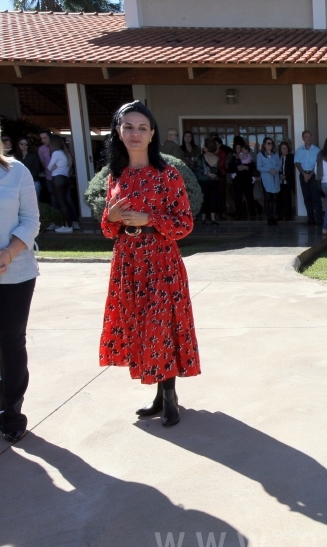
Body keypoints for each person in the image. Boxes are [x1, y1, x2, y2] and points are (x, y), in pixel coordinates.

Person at [99, 100, 200, 427]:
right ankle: (158, 396)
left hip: (161, 263)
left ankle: (169, 397)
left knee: (162, 328)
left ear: (152, 133)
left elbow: (184, 224)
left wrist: (150, 219)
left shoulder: (167, 174)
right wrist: (110, 217)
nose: (135, 133)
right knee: (142, 328)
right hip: (128, 264)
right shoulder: (115, 175)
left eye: (142, 128)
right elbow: (107, 229)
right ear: (118, 131)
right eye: (128, 127)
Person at [0, 126, 41, 443]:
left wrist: (8, 254)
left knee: (10, 343)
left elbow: (30, 220)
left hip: (15, 273)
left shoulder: (16, 172)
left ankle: (11, 414)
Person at [47, 134, 77, 233]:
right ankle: (68, 224)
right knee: (65, 202)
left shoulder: (56, 153)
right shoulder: (65, 153)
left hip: (57, 179)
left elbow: (49, 167)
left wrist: (53, 166)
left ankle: (67, 226)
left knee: (61, 203)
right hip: (65, 178)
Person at [293, 131, 321, 226]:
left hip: (314, 175)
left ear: (311, 137)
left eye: (309, 136)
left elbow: (318, 164)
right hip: (303, 174)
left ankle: (319, 219)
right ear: (303, 138)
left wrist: (310, 174)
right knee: (307, 197)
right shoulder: (300, 150)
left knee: (316, 197)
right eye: (306, 137)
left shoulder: (317, 150)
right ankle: (311, 218)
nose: (308, 138)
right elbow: (297, 163)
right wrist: (304, 174)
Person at [195, 138, 223, 226]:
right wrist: (213, 174)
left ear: (206, 147)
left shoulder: (202, 157)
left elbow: (198, 168)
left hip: (203, 181)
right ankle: (213, 218)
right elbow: (218, 169)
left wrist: (207, 173)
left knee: (204, 199)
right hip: (214, 181)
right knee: (213, 199)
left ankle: (203, 218)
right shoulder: (217, 157)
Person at [229, 140, 257, 220]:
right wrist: (237, 168)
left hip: (247, 180)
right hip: (237, 180)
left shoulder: (248, 156)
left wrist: (247, 167)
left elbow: (253, 167)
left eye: (240, 148)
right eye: (237, 148)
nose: (239, 149)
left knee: (250, 197)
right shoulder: (234, 158)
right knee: (238, 197)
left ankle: (252, 214)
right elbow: (230, 168)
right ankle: (239, 213)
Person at [256, 137, 281, 226]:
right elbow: (259, 167)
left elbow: (279, 165)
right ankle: (269, 217)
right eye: (268, 143)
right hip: (266, 179)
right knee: (267, 199)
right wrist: (269, 170)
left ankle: (274, 217)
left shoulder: (276, 154)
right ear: (264, 145)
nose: (270, 145)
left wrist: (276, 170)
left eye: (271, 143)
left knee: (274, 199)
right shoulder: (260, 155)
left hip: (275, 179)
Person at [277, 141, 295, 221]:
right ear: (280, 149)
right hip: (279, 181)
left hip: (288, 181)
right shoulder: (277, 157)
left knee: (287, 198)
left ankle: (288, 216)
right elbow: (276, 167)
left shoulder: (291, 157)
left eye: (286, 148)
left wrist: (285, 176)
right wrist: (280, 175)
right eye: (282, 148)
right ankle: (279, 215)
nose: (284, 150)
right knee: (279, 198)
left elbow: (291, 168)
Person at [37, 130, 52, 206]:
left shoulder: (57, 146)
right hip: (49, 177)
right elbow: (43, 163)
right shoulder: (41, 149)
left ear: (50, 137)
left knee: (66, 198)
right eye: (42, 138)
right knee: (53, 198)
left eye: (45, 138)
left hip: (61, 175)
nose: (43, 140)